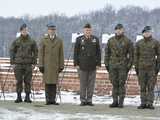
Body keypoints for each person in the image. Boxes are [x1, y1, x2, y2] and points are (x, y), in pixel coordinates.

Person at [104, 24, 133, 108]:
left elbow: (131, 55)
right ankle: (115, 101)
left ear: (123, 30)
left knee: (121, 84)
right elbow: (107, 53)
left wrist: (129, 66)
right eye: (117, 29)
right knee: (114, 84)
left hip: (123, 66)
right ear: (115, 31)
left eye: (120, 29)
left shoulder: (127, 41)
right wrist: (107, 64)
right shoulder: (110, 40)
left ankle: (121, 102)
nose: (118, 31)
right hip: (112, 65)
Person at [74, 23, 101, 106]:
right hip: (82, 65)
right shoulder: (79, 39)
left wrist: (98, 64)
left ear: (91, 30)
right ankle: (82, 100)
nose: (88, 31)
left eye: (89, 30)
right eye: (86, 30)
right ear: (83, 30)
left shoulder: (95, 39)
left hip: (92, 65)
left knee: (91, 84)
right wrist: (76, 64)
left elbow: (98, 52)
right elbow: (76, 52)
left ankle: (89, 100)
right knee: (83, 84)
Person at [10, 23, 38, 103]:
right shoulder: (16, 41)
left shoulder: (32, 41)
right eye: (23, 30)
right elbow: (12, 51)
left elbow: (35, 52)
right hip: (18, 64)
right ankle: (18, 97)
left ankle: (27, 97)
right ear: (21, 31)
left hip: (28, 64)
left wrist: (34, 63)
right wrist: (12, 62)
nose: (25, 32)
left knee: (28, 81)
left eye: (26, 30)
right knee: (18, 81)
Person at [134, 26, 160, 109]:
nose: (147, 33)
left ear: (151, 33)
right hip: (141, 68)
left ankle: (150, 103)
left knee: (151, 87)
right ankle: (143, 103)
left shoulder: (155, 42)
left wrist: (157, 67)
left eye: (148, 32)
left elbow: (159, 55)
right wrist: (136, 66)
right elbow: (136, 55)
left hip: (152, 68)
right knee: (142, 87)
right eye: (145, 32)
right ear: (143, 33)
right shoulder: (139, 43)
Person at [38, 22, 64, 105]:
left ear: (55, 31)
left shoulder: (59, 41)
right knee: (47, 83)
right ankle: (48, 99)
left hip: (55, 65)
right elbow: (41, 54)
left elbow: (61, 54)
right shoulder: (43, 40)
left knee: (54, 83)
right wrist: (41, 65)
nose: (52, 31)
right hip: (46, 65)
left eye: (53, 30)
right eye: (50, 30)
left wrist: (61, 65)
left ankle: (53, 100)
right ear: (48, 31)